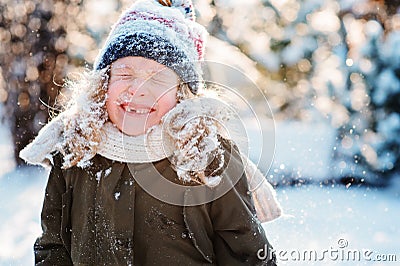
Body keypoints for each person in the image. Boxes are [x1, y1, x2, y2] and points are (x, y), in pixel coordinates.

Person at [20, 0, 281, 265]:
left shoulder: (206, 157)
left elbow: (248, 256)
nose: (138, 90)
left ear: (181, 94)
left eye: (157, 78)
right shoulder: (75, 152)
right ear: (104, 84)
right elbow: (53, 248)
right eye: (125, 73)